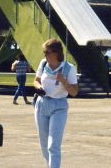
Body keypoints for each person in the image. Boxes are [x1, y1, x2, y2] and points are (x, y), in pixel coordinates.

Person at [33, 39, 78, 168]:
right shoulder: (43, 64)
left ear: (56, 53)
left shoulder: (69, 68)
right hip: (42, 104)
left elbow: (74, 92)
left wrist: (63, 81)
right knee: (44, 143)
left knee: (53, 144)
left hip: (59, 106)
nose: (44, 55)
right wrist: (38, 87)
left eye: (47, 52)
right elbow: (35, 81)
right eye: (44, 52)